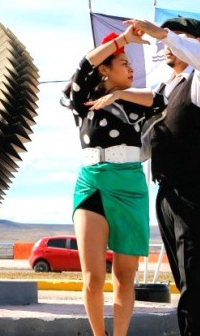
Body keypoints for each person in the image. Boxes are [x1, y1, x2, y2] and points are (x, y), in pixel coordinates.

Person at [125, 17, 200, 336]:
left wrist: (163, 34)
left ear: (197, 43)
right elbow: (146, 143)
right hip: (169, 193)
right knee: (188, 283)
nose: (167, 44)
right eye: (167, 38)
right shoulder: (163, 90)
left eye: (178, 37)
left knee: (196, 286)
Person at [61, 25, 166, 336]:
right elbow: (84, 67)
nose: (131, 69)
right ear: (104, 69)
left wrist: (120, 93)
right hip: (91, 184)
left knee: (124, 275)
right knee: (93, 276)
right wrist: (121, 41)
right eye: (124, 63)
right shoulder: (82, 103)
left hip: (131, 188)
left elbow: (160, 99)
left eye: (131, 64)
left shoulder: (135, 103)